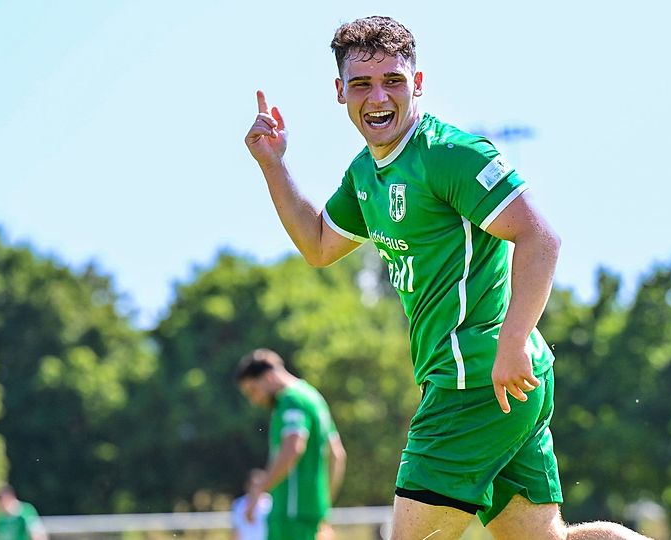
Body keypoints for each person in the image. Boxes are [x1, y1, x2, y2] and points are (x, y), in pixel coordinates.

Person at [244, 14, 649, 540]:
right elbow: (319, 245)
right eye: (362, 84)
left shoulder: (450, 154)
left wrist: (513, 342)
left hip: (475, 380)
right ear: (340, 92)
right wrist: (273, 165)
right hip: (495, 382)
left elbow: (541, 238)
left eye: (393, 80)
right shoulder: (366, 173)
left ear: (417, 83)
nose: (378, 97)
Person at [236, 348, 347, 540]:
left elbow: (293, 448)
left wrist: (259, 491)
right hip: (310, 514)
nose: (255, 400)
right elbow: (337, 455)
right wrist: (322, 505)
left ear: (268, 376)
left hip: (290, 513)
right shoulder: (313, 397)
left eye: (253, 390)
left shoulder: (291, 400)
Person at [232, 469, 272, 540]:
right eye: (254, 485)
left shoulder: (268, 501)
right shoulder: (239, 503)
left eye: (259, 486)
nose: (255, 489)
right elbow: (237, 528)